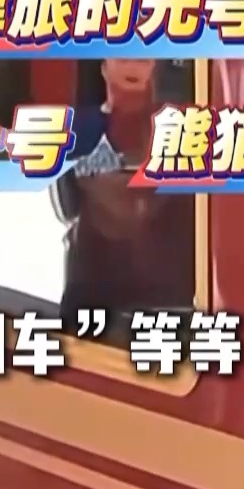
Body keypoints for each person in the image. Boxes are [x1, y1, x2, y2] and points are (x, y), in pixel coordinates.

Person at [59, 55, 193, 326]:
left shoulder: (182, 127)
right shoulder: (77, 132)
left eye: (142, 58)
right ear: (103, 67)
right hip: (95, 294)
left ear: (156, 67)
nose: (132, 65)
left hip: (173, 295)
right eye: (122, 56)